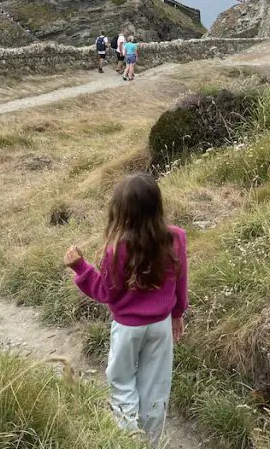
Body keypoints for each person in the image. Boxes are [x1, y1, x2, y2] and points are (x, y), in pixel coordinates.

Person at [64, 174, 188, 447]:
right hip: (161, 326)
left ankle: (129, 442)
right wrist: (177, 313)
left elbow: (106, 292)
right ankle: (150, 443)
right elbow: (181, 281)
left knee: (121, 383)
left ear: (121, 211)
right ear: (157, 205)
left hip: (128, 328)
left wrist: (81, 267)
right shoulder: (176, 237)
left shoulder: (117, 249)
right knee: (156, 387)